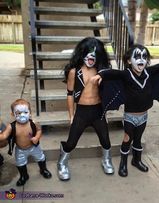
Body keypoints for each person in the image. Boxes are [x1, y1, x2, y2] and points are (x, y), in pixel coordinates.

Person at [92, 44, 159, 177]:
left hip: (144, 116)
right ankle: (123, 163)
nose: (141, 60)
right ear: (129, 61)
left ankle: (136, 160)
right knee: (128, 139)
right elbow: (111, 73)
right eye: (137, 57)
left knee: (138, 139)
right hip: (130, 117)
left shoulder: (149, 73)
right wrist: (100, 75)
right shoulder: (126, 75)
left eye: (144, 57)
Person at [57, 37, 114, 181]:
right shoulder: (74, 72)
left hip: (98, 112)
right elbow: (70, 94)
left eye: (95, 53)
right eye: (88, 52)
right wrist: (71, 114)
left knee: (106, 140)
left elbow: (106, 93)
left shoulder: (102, 71)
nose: (91, 56)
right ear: (81, 53)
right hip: (81, 112)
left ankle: (106, 160)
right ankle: (62, 162)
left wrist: (105, 111)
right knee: (71, 142)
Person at [0, 99, 52, 186]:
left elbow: (39, 130)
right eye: (19, 113)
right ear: (13, 114)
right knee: (20, 163)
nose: (22, 115)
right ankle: (24, 176)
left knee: (40, 158)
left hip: (34, 147)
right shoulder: (11, 126)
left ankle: (43, 170)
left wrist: (36, 137)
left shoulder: (33, 123)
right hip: (20, 150)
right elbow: (4, 136)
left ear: (30, 112)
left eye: (25, 112)